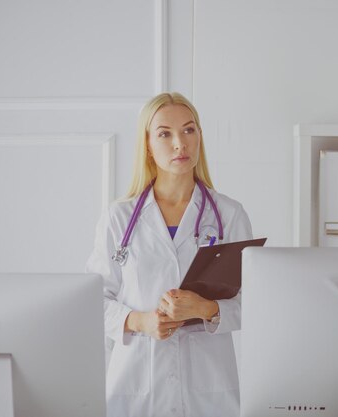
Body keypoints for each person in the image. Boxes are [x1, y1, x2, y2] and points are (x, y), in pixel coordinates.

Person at [86, 92, 252, 417]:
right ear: (148, 144)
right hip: (135, 389)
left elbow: (254, 303)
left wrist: (206, 309)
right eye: (165, 133)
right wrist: (140, 322)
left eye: (189, 130)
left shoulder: (230, 216)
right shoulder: (118, 218)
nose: (180, 143)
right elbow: (93, 301)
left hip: (208, 390)